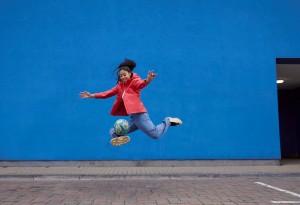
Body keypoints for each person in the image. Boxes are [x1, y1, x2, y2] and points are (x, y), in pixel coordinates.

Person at [80, 59, 182, 146]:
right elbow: (107, 93)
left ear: (130, 74)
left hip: (140, 115)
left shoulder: (134, 81)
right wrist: (92, 95)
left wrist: (149, 79)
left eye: (125, 75)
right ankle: (119, 135)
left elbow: (141, 84)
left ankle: (167, 120)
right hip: (134, 117)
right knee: (114, 133)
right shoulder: (120, 86)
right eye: (121, 76)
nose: (123, 77)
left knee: (155, 135)